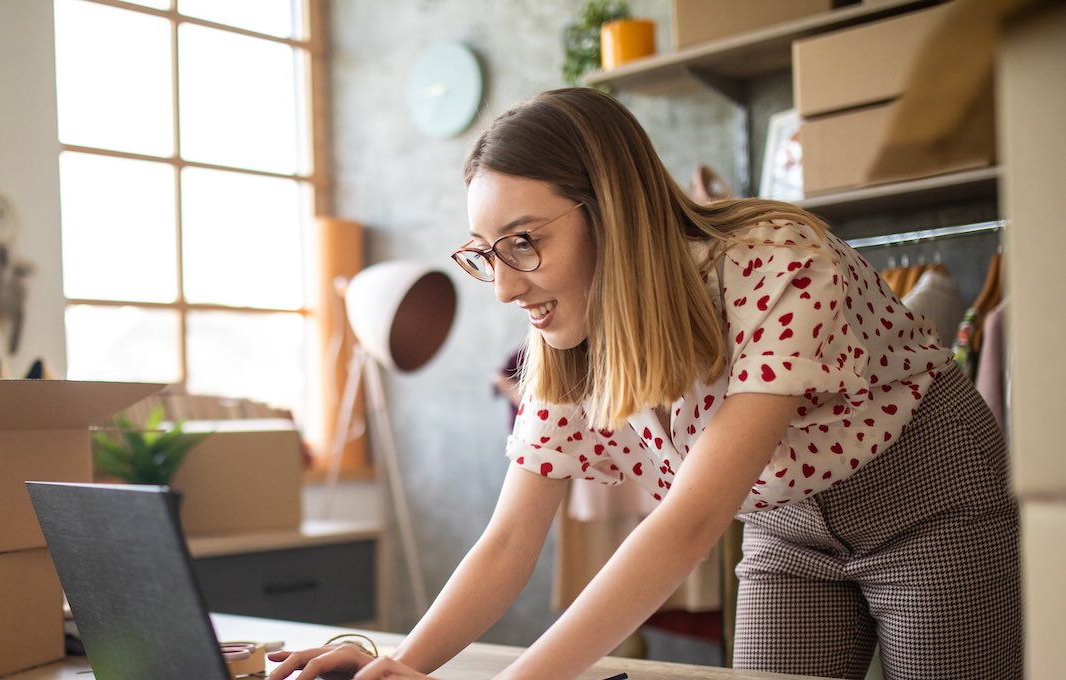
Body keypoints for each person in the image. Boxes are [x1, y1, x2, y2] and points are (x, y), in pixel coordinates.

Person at [267, 88, 1020, 680]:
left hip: (930, 504)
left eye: (523, 243)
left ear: (613, 212)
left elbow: (690, 524)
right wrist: (400, 664)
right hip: (788, 531)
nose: (502, 288)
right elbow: (509, 540)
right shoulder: (564, 334)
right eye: (487, 254)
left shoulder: (781, 262)